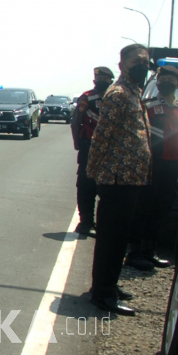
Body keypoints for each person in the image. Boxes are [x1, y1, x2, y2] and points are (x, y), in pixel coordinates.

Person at [86, 44, 153, 316]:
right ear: (123, 64)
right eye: (137, 60)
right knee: (111, 239)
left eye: (147, 61)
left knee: (119, 237)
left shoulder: (133, 93)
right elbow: (102, 137)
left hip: (130, 180)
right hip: (116, 180)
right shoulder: (118, 94)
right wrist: (93, 172)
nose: (143, 65)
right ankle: (103, 293)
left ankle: (108, 284)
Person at [125, 65, 178, 270]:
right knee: (143, 207)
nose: (165, 82)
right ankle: (134, 252)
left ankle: (149, 251)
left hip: (172, 164)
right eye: (162, 79)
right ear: (157, 82)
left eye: (171, 79)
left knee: (162, 209)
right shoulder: (147, 105)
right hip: (151, 163)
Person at [70, 66, 115, 236]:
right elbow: (76, 122)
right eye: (99, 78)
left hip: (110, 149)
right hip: (89, 146)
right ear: (95, 80)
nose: (102, 81)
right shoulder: (87, 98)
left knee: (106, 186)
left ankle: (103, 223)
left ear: (111, 81)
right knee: (86, 184)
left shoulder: (115, 99)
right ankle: (85, 221)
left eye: (106, 79)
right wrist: (77, 144)